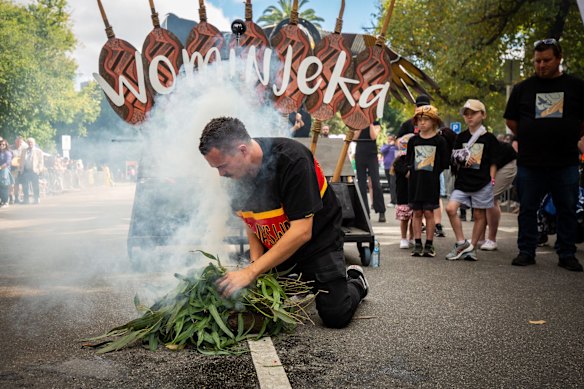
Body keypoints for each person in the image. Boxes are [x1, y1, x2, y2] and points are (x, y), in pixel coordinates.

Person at [198, 117, 369, 328]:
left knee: (335, 315)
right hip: (278, 243)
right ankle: (303, 281)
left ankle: (355, 281)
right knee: (252, 303)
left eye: (222, 166)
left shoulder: (293, 160)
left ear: (242, 150)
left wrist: (251, 272)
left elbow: (302, 231)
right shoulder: (235, 177)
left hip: (317, 241)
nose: (221, 174)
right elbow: (251, 221)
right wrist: (255, 264)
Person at [504, 38, 584, 272]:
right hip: (531, 161)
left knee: (567, 208)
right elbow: (511, 120)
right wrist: (532, 136)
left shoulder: (576, 87)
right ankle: (526, 251)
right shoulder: (522, 88)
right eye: (537, 61)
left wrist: (567, 134)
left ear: (559, 59)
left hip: (565, 161)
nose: (541, 65)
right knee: (527, 208)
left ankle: (567, 253)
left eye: (546, 60)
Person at [445, 99, 499, 261]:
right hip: (462, 182)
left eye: (473, 113)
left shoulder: (489, 138)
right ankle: (461, 242)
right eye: (466, 114)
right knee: (451, 209)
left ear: (483, 115)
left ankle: (472, 247)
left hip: (482, 182)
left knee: (478, 214)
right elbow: (453, 157)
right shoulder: (460, 136)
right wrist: (461, 158)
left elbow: (494, 161)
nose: (469, 117)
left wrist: (492, 180)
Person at [406, 105, 449, 257]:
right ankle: (417, 243)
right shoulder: (413, 141)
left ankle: (429, 244)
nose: (422, 123)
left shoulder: (440, 141)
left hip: (431, 182)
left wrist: (433, 171)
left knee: (429, 212)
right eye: (419, 120)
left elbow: (444, 163)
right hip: (415, 183)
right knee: (417, 212)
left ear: (434, 121)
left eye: (426, 119)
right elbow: (409, 160)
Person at [478, 139, 517, 250]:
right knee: (482, 198)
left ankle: (492, 239)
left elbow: (492, 162)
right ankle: (480, 238)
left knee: (490, 197)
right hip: (494, 162)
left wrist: (492, 179)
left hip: (506, 162)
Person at [354, 120, 386, 222]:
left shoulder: (375, 123)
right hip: (360, 153)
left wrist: (369, 122)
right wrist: (361, 123)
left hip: (372, 154)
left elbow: (373, 136)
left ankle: (381, 211)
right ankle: (364, 213)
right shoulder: (356, 122)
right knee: (361, 185)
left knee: (376, 183)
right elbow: (354, 137)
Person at [393, 134, 414, 249]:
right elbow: (408, 173)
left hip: (415, 192)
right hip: (403, 193)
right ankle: (403, 238)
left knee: (415, 218)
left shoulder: (415, 159)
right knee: (404, 218)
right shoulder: (399, 161)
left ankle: (412, 237)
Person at [18, 137, 44, 204]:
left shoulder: (39, 151)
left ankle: (36, 199)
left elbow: (41, 162)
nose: (30, 143)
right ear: (27, 143)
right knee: (25, 186)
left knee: (35, 185)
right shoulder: (24, 151)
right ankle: (26, 200)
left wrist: (39, 170)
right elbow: (21, 161)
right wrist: (20, 169)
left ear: (34, 143)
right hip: (25, 170)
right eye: (28, 142)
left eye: (31, 142)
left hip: (34, 171)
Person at [380, 134, 398, 207]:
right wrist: (389, 145)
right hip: (386, 167)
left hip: (393, 168)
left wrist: (395, 144)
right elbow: (382, 151)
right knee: (390, 185)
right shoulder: (385, 146)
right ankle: (394, 200)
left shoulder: (396, 147)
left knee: (393, 184)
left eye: (391, 139)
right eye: (388, 139)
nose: (389, 140)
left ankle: (394, 201)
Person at [0, 139, 13, 206]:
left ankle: (6, 202)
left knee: (4, 186)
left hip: (5, 171)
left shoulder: (7, 153)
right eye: (0, 144)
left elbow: (8, 162)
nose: (1, 145)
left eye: (3, 144)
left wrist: (1, 167)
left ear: (6, 145)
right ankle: (2, 201)